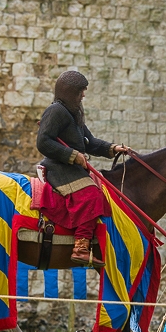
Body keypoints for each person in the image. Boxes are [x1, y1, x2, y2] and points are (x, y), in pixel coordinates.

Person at [36, 70, 129, 266]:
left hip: (71, 168)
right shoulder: (56, 111)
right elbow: (43, 141)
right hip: (58, 167)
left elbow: (89, 142)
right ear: (69, 92)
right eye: (80, 91)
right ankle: (80, 248)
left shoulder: (74, 112)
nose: (83, 95)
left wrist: (113, 148)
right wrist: (71, 155)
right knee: (92, 195)